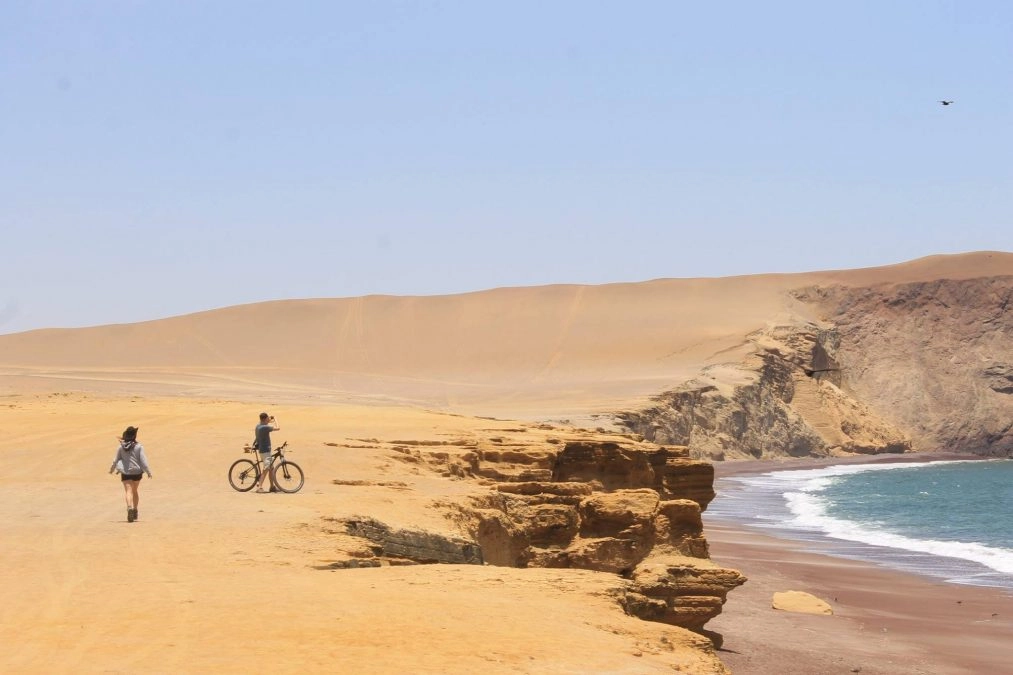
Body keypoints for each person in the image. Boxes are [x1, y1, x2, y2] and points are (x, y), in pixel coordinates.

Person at [108, 426, 152, 522]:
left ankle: (129, 508)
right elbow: (143, 461)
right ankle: (135, 510)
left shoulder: (121, 447)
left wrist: (111, 469)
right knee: (135, 491)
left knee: (128, 491)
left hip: (126, 472)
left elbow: (115, 460)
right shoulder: (139, 447)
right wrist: (148, 472)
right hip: (137, 472)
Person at [253, 412, 280, 493]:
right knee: (266, 469)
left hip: (263, 450)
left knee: (271, 468)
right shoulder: (264, 427)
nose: (269, 419)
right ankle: (259, 487)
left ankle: (272, 487)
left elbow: (267, 422)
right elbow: (278, 428)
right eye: (268, 418)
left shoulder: (258, 426)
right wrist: (275, 418)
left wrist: (269, 419)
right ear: (264, 419)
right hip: (265, 451)